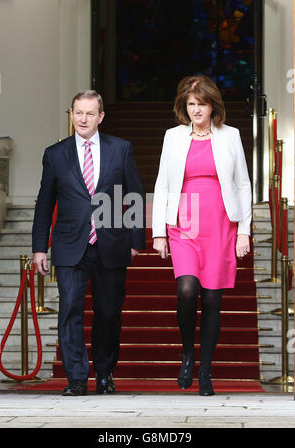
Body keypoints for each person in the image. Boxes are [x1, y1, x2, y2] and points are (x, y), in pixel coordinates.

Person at [32, 90, 146, 396]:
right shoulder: (55, 154)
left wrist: (135, 239)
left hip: (111, 243)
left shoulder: (120, 149)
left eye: (89, 113)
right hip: (70, 244)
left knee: (108, 313)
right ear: (70, 114)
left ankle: (105, 373)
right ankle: (77, 378)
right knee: (70, 309)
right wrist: (40, 247)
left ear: (101, 117)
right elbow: (44, 203)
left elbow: (132, 195)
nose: (83, 119)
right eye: (78, 113)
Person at [152, 75, 251, 396]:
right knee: (186, 288)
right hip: (183, 222)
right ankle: (187, 353)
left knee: (212, 297)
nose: (196, 110)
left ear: (213, 106)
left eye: (201, 104)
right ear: (184, 106)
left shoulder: (230, 136)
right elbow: (163, 184)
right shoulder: (173, 137)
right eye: (191, 104)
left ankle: (205, 371)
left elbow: (242, 185)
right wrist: (159, 233)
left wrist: (244, 232)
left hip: (222, 224)